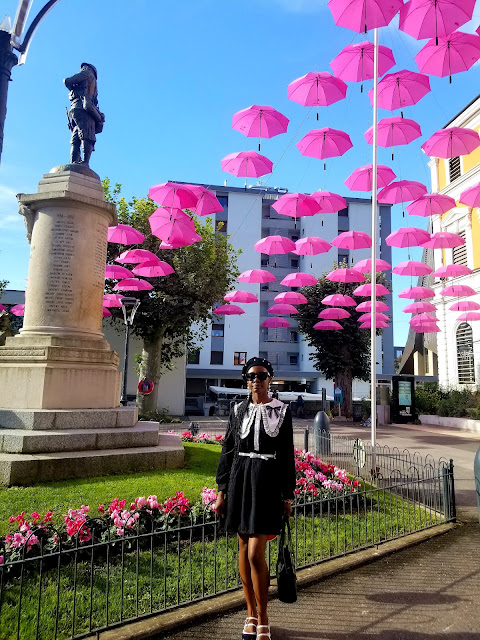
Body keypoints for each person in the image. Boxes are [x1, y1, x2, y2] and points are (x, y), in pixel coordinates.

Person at [215, 357, 296, 640]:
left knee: (254, 553)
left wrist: (287, 495)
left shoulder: (282, 412)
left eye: (261, 376)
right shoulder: (238, 410)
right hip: (240, 479)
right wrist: (221, 491)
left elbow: (287, 455)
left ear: (270, 379)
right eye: (251, 376)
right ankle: (250, 612)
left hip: (267, 482)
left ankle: (264, 616)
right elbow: (228, 450)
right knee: (241, 548)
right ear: (245, 380)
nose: (256, 380)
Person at [64, 63, 105, 166]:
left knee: (82, 136)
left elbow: (68, 81)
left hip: (80, 107)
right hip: (83, 108)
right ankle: (77, 162)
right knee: (81, 136)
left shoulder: (87, 73)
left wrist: (71, 86)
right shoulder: (94, 85)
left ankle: (83, 162)